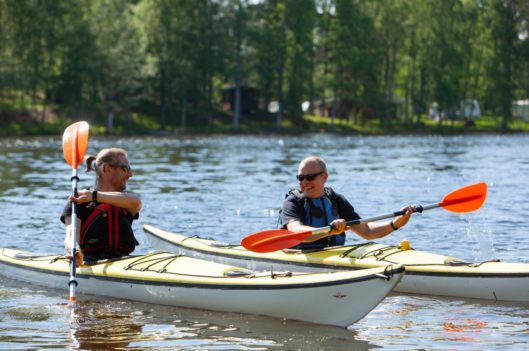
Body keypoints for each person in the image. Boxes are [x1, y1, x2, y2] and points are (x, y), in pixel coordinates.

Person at [280, 156, 414, 250]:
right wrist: (330, 231)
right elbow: (297, 233)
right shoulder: (293, 202)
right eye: (300, 178)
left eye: (310, 177)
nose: (304, 182)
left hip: (334, 254)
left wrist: (396, 223)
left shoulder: (336, 199)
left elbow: (366, 232)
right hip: (300, 254)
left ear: (324, 177)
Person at [61, 148, 142, 265]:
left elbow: (136, 203)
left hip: (125, 261)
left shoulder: (126, 199)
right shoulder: (79, 201)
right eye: (126, 169)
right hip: (89, 261)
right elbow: (70, 236)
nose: (130, 174)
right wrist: (74, 250)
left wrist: (94, 196)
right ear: (107, 169)